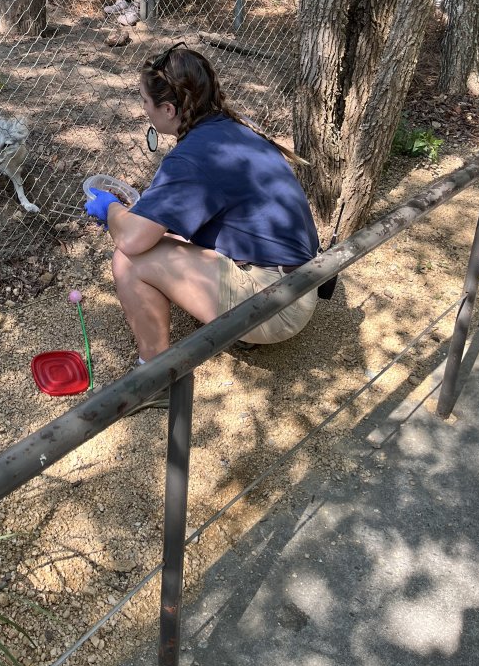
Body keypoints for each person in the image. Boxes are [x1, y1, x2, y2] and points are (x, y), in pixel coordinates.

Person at [84, 44, 320, 408]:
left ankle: (155, 381)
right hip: (301, 284)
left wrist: (111, 208)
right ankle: (233, 326)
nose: (143, 108)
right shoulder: (233, 127)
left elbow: (131, 240)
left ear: (168, 109)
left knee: (129, 260)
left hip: (277, 308)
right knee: (162, 235)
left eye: (145, 101)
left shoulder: (194, 156)